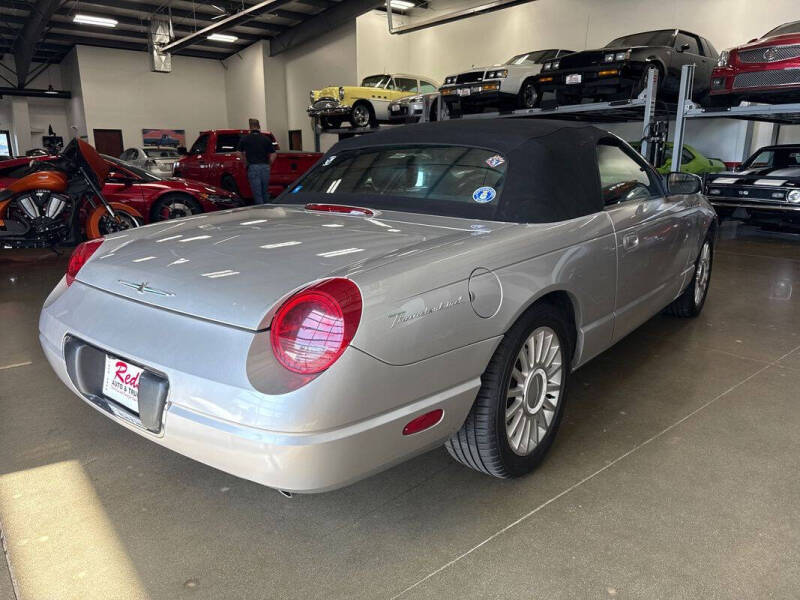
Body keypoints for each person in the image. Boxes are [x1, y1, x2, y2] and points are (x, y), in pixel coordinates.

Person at [237, 129, 276, 205]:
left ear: (250, 128)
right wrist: (268, 164)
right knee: (265, 192)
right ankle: (267, 209)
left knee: (257, 193)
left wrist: (245, 162)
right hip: (265, 167)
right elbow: (274, 154)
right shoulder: (266, 138)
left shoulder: (245, 138)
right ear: (259, 127)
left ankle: (260, 211)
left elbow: (238, 153)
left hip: (253, 167)